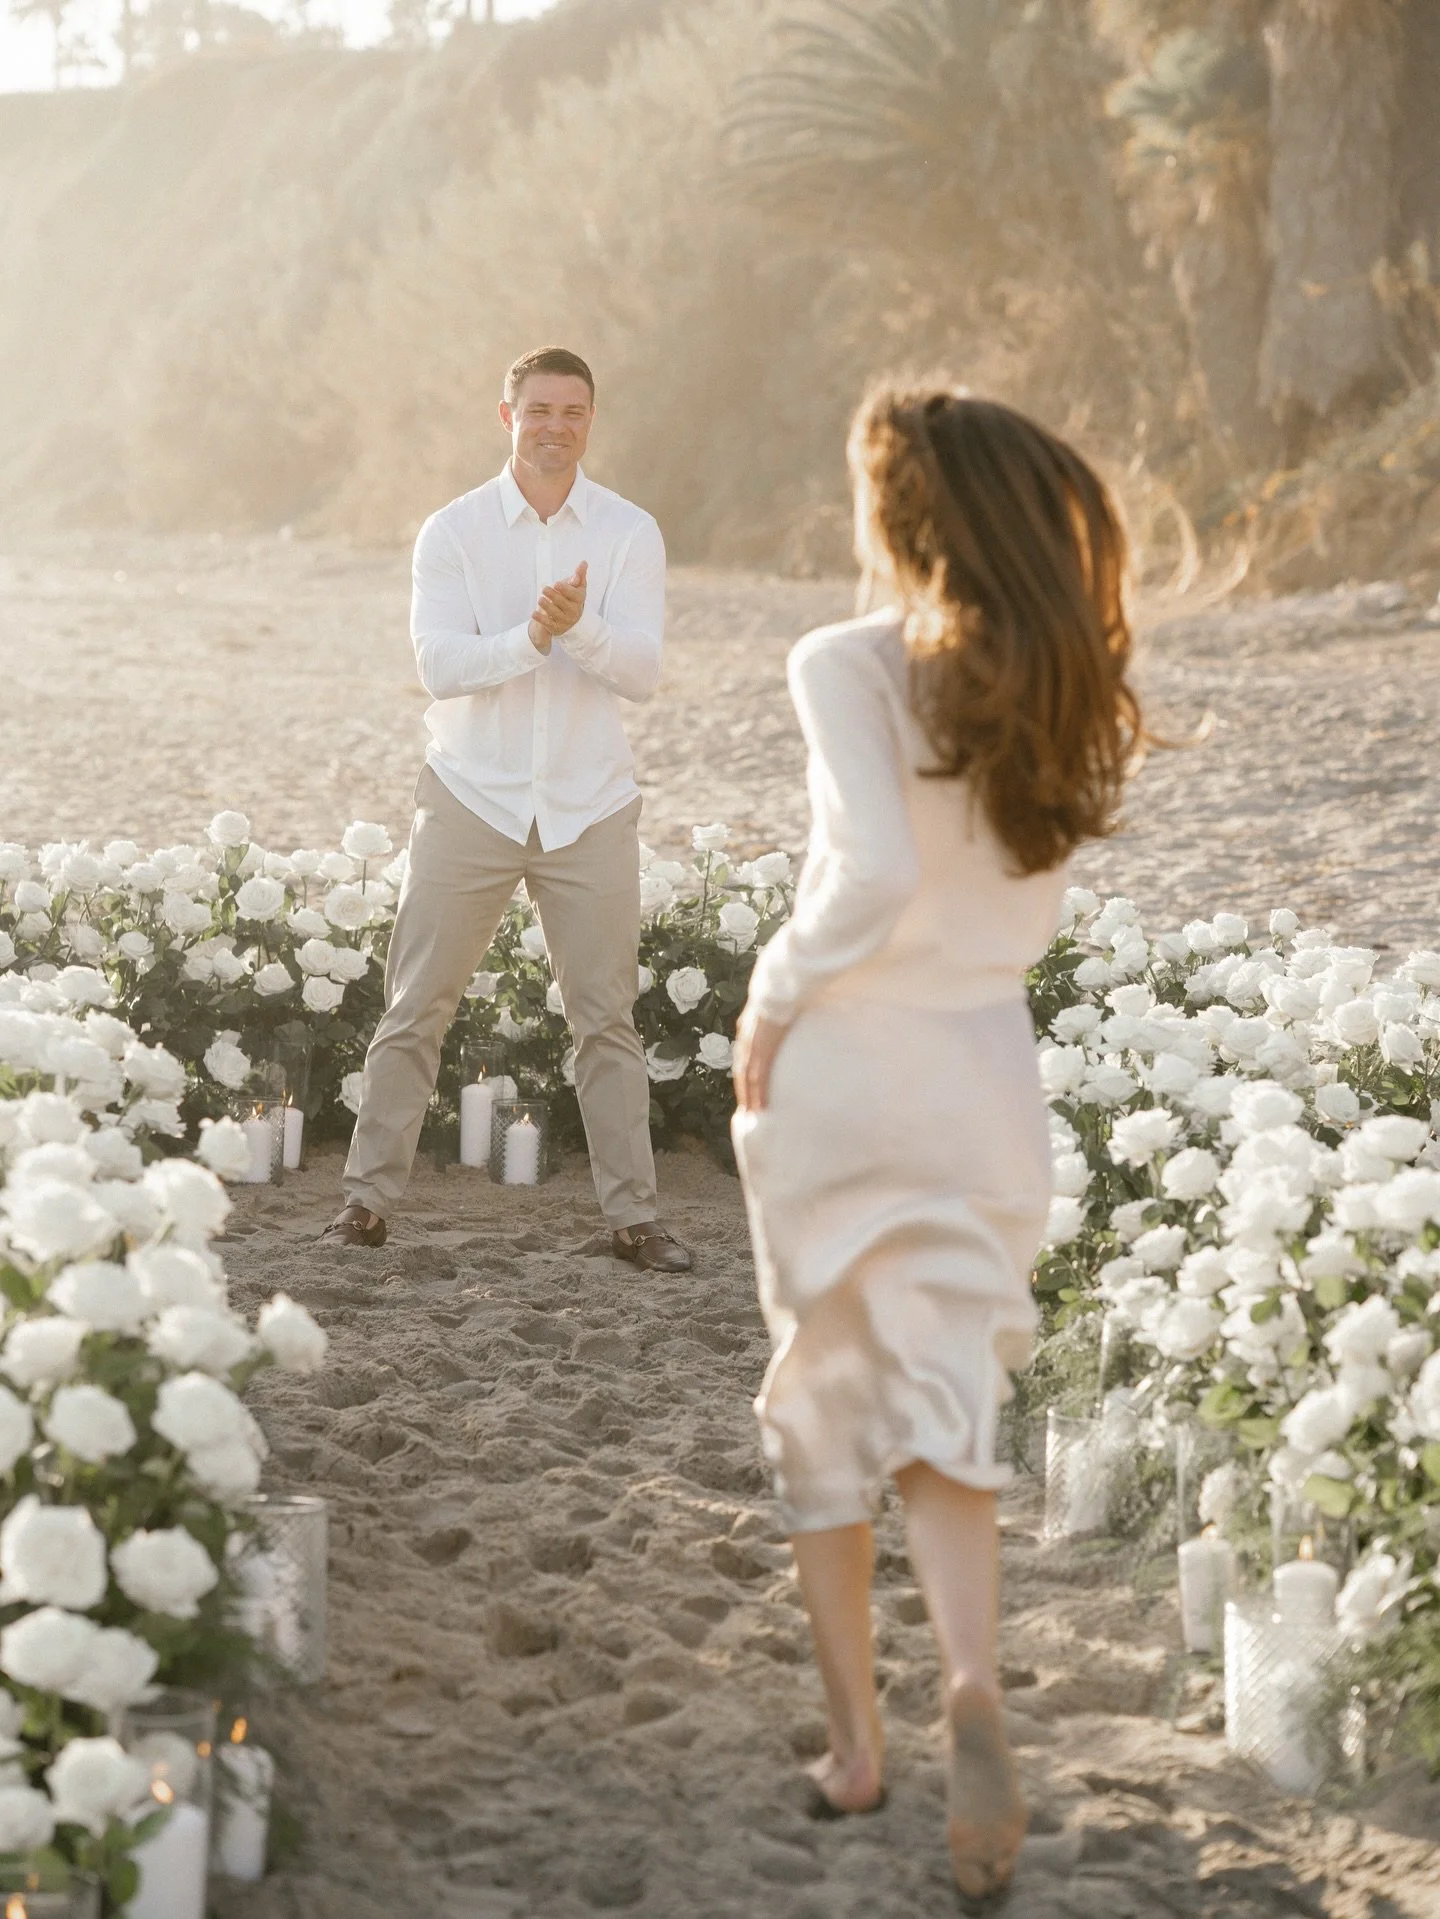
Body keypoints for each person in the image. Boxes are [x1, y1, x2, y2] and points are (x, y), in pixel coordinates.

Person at [731, 385, 1143, 1905]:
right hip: (984, 1067)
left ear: (898, 518)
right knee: (946, 1408)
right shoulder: (1057, 681)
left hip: (848, 1057)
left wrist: (771, 997)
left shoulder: (846, 660)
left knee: (825, 1398)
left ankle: (857, 1747)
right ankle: (971, 1676)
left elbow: (869, 865)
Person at [323, 345, 692, 1275]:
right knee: (416, 1006)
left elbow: (643, 674)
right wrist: (531, 639)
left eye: (573, 410)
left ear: (590, 421)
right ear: (507, 416)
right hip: (469, 795)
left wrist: (582, 629)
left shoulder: (627, 531)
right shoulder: (450, 532)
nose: (555, 426)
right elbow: (438, 668)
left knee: (607, 1019)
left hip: (588, 803)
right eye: (539, 409)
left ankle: (635, 1220)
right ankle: (365, 1204)